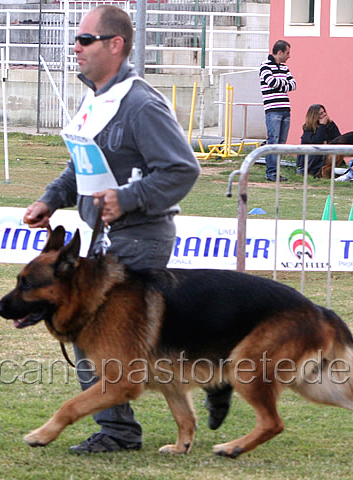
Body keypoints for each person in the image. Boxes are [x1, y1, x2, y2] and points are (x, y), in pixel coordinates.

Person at [22, 5, 231, 454]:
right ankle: (210, 377)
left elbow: (182, 169)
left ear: (115, 45)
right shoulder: (97, 98)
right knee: (112, 339)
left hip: (139, 238)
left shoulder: (139, 103)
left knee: (92, 336)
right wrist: (49, 199)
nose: (74, 47)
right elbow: (79, 166)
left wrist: (129, 198)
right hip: (103, 240)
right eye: (76, 40)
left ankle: (117, 431)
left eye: (84, 40)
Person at [259, 40, 297, 182]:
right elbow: (272, 82)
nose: (289, 56)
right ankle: (271, 172)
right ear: (279, 52)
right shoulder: (265, 66)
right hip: (273, 110)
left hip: (285, 109)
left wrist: (281, 85)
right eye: (287, 53)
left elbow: (293, 84)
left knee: (281, 142)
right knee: (273, 141)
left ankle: (276, 171)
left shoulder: (285, 68)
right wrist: (284, 85)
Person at [296, 104, 341, 177]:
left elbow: (337, 139)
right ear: (315, 116)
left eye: (324, 112)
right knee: (315, 153)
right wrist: (322, 126)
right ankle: (305, 170)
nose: (325, 114)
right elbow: (316, 141)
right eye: (321, 113)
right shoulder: (308, 127)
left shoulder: (331, 125)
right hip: (311, 156)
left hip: (327, 154)